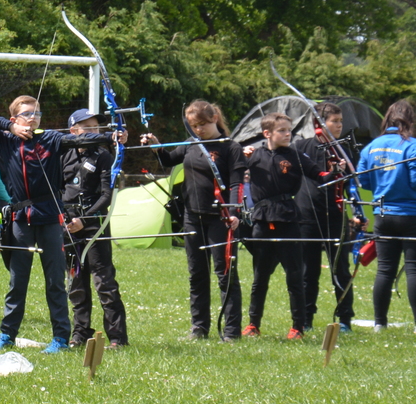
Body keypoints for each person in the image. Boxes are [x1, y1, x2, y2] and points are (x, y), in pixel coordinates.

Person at [0, 96, 118, 352]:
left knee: (55, 281)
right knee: (17, 281)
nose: (33, 118)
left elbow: (80, 139)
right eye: (27, 114)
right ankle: (8, 334)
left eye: (37, 113)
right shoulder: (7, 141)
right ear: (15, 119)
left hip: (50, 219)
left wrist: (111, 136)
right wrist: (10, 128)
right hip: (21, 219)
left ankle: (60, 338)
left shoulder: (51, 138)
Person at [143, 101, 241, 341]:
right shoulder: (191, 144)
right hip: (192, 217)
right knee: (197, 273)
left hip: (221, 218)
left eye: (203, 124)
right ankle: (199, 328)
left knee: (225, 273)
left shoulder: (230, 147)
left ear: (214, 118)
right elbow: (168, 159)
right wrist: (156, 146)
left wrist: (234, 211)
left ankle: (231, 331)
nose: (199, 130)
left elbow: (237, 183)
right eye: (194, 125)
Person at [235, 113, 309, 338]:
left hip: (288, 220)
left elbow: (321, 175)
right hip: (263, 221)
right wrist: (241, 154)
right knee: (260, 277)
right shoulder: (255, 155)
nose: (288, 134)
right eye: (282, 130)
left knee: (294, 277)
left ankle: (298, 327)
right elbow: (231, 167)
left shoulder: (295, 156)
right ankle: (253, 325)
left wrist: (335, 171)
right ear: (267, 133)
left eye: (289, 130)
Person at [62, 108, 128, 348]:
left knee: (104, 281)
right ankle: (80, 333)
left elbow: (106, 196)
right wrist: (64, 218)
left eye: (96, 127)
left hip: (93, 225)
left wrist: (85, 219)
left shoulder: (103, 156)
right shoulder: (64, 155)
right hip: (68, 224)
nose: (94, 132)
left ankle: (117, 338)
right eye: (87, 128)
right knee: (75, 281)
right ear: (73, 131)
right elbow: (56, 189)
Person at [294, 102, 360, 330]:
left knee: (341, 270)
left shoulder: (344, 150)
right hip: (307, 215)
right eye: (334, 121)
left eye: (341, 121)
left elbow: (352, 185)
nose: (339, 125)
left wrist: (358, 213)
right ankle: (305, 319)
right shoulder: (301, 146)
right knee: (308, 271)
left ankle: (345, 319)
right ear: (319, 124)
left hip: (335, 216)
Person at [356, 99, 416, 332]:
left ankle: (380, 323)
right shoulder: (411, 145)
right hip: (410, 214)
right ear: (409, 120)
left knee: (384, 269)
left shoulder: (371, 146)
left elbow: (363, 181)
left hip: (382, 214)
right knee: (413, 269)